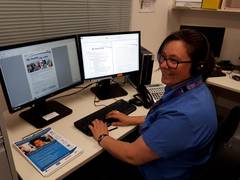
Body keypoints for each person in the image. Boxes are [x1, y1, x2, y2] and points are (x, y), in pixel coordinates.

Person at [89, 29, 218, 180]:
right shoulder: (194, 89)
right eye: (162, 57)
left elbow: (132, 156)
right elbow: (166, 117)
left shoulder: (184, 116)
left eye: (173, 60)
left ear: (197, 66)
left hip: (156, 173)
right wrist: (131, 119)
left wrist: (102, 136)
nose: (163, 65)